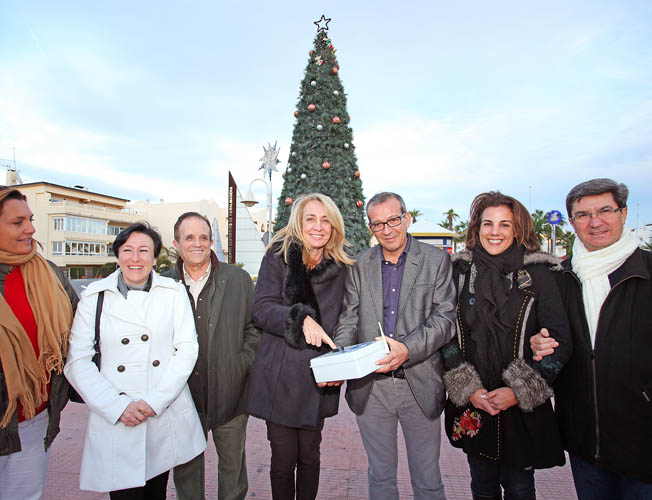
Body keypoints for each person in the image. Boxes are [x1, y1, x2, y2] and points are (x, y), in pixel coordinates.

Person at [440, 191, 572, 500]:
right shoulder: (459, 273)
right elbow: (446, 335)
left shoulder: (538, 274)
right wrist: (468, 387)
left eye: (504, 224)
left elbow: (561, 341)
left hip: (520, 410)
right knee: (482, 487)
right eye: (488, 224)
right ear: (477, 228)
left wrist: (519, 391)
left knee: (520, 489)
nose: (495, 232)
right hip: (475, 403)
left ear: (517, 230)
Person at [530, 179, 652, 500]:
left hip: (643, 438)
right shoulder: (560, 278)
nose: (595, 222)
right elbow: (546, 336)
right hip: (584, 439)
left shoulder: (647, 272)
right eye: (583, 215)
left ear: (623, 213)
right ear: (571, 223)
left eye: (605, 211)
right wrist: (537, 344)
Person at [64, 222, 206, 498]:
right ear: (117, 255)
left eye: (144, 251)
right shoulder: (94, 297)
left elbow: (187, 349)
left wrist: (154, 401)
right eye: (127, 250)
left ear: (155, 258)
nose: (135, 258)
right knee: (124, 492)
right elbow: (78, 361)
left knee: (156, 491)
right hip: (116, 414)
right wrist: (118, 406)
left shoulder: (173, 293)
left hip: (160, 412)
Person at [332, 191, 456, 500]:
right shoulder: (359, 265)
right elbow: (349, 318)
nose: (387, 230)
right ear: (370, 227)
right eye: (378, 224)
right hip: (372, 389)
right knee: (380, 478)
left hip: (420, 383)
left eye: (393, 220)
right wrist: (337, 359)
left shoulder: (436, 260)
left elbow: (445, 319)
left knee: (428, 481)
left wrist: (407, 349)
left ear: (406, 218)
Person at [246, 193, 353, 500]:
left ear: (333, 226)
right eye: (311, 219)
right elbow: (261, 308)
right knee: (282, 459)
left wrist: (341, 359)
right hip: (278, 377)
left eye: (325, 220)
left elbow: (349, 319)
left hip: (317, 376)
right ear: (298, 222)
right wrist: (299, 318)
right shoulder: (278, 257)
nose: (318, 227)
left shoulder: (342, 266)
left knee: (309, 456)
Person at [165, 212, 260, 500]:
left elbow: (255, 329)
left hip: (230, 396)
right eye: (189, 237)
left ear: (211, 241)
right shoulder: (164, 285)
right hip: (181, 399)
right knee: (186, 473)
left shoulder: (238, 280)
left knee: (232, 473)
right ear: (176, 243)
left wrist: (241, 365)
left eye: (204, 237)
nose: (197, 243)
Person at [0, 187, 78, 500]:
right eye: (17, 222)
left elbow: (82, 338)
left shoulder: (51, 275)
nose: (31, 229)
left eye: (30, 220)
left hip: (31, 420)